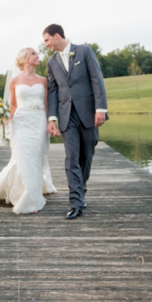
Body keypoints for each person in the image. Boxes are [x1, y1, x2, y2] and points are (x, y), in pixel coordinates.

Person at [0, 48, 57, 214]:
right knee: (22, 158)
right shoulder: (14, 81)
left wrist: (51, 122)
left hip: (38, 122)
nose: (37, 55)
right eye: (33, 53)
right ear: (25, 59)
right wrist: (3, 120)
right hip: (20, 123)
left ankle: (31, 192)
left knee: (35, 158)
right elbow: (13, 105)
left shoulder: (43, 81)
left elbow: (47, 104)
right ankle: (27, 196)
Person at [43, 24, 108, 219]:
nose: (46, 44)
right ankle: (76, 202)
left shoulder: (84, 51)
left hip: (88, 113)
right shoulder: (51, 63)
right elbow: (53, 92)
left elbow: (97, 80)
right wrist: (52, 117)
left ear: (56, 36)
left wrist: (101, 109)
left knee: (86, 156)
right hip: (66, 115)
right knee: (72, 158)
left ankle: (81, 189)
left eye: (47, 40)